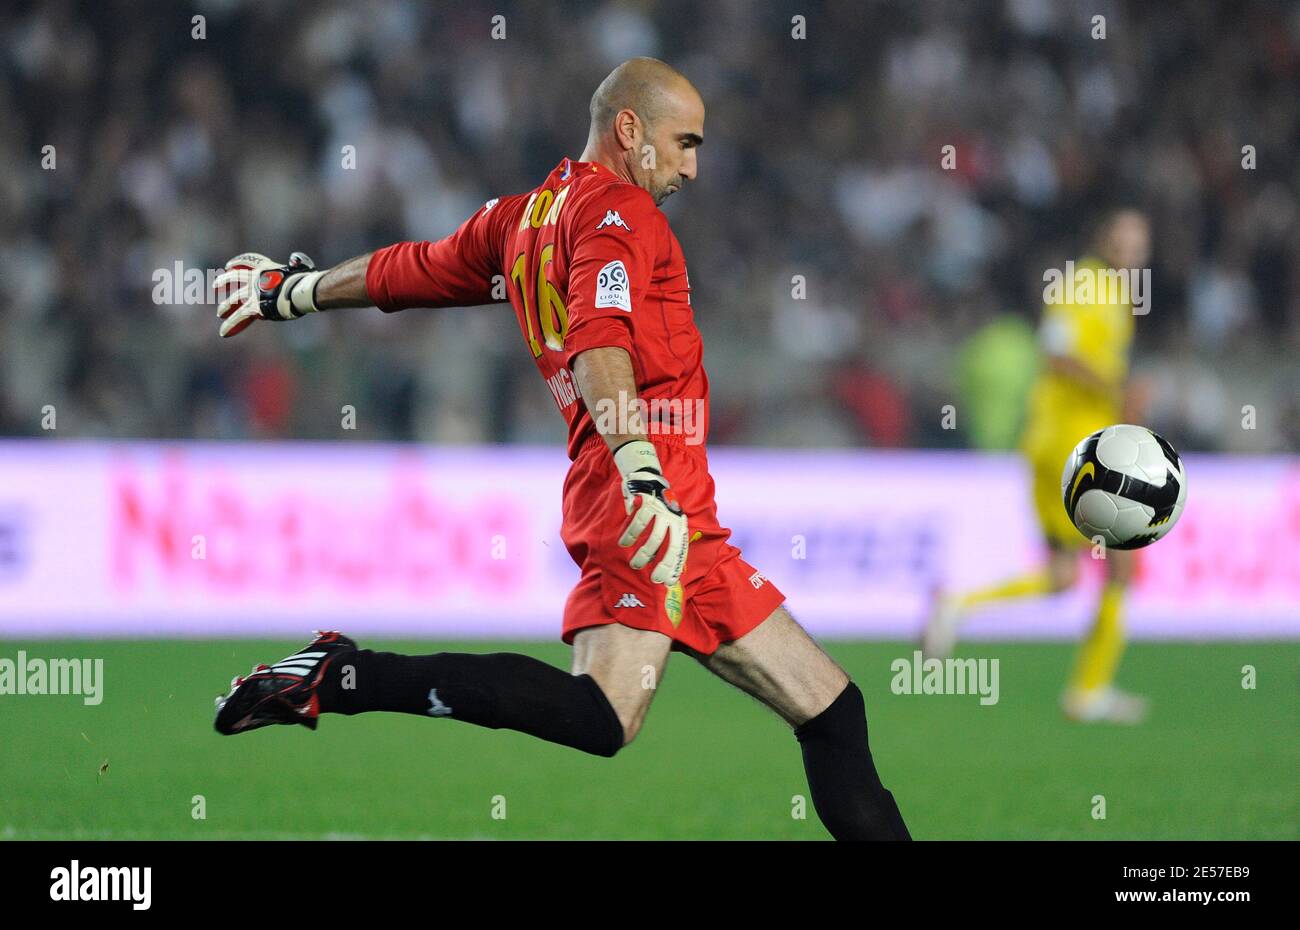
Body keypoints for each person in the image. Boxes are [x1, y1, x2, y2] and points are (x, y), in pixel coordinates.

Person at [210, 57, 910, 840]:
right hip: (643, 500)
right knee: (603, 715)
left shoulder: (522, 218)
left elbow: (413, 270)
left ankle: (340, 676)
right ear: (629, 130)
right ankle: (345, 676)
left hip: (682, 520)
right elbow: (598, 345)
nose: (692, 165)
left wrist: (294, 292)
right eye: (684, 142)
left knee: (833, 709)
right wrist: (642, 472)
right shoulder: (622, 218)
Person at [923, 209, 1152, 724]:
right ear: (1103, 239)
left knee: (1063, 575)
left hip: (1057, 445)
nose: (1129, 249)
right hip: (1074, 449)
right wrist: (1117, 390)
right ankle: (1088, 691)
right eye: (1121, 237)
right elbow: (1055, 352)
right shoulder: (1087, 285)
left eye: (1138, 242)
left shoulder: (1115, 296)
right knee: (1123, 564)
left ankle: (957, 605)